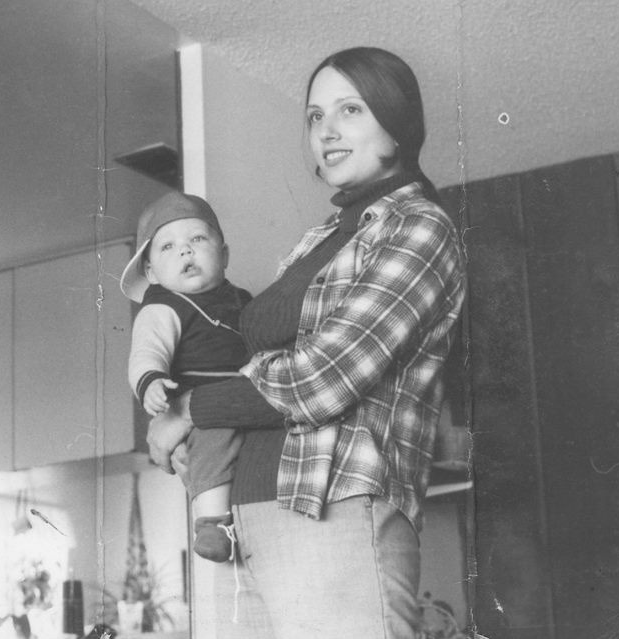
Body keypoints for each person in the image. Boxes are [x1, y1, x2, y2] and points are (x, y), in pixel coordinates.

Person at [146, 46, 467, 638]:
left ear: (397, 122)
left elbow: (323, 378)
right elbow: (263, 368)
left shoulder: (419, 226)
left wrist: (190, 410)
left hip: (335, 509)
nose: (327, 130)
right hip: (243, 519)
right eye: (316, 116)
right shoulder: (319, 239)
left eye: (351, 109)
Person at [121, 191, 258, 563]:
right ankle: (211, 523)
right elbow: (147, 351)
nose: (185, 250)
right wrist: (150, 382)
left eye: (197, 239)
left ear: (224, 256)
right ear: (151, 272)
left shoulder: (243, 301)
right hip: (201, 405)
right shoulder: (162, 308)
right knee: (213, 443)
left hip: (245, 399)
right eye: (167, 246)